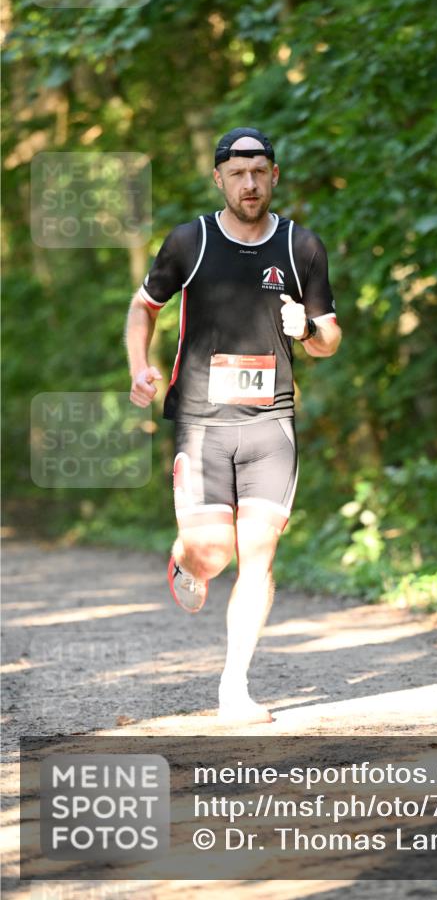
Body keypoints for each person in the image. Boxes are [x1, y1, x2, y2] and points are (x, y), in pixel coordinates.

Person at [125, 127, 341, 724]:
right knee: (214, 552)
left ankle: (234, 687)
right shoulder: (190, 242)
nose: (250, 184)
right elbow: (144, 306)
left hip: (271, 422)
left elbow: (329, 337)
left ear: (275, 176)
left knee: (258, 556)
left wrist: (308, 330)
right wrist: (140, 367)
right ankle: (188, 555)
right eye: (238, 173)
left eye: (259, 172)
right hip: (202, 421)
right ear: (218, 178)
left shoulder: (302, 246)